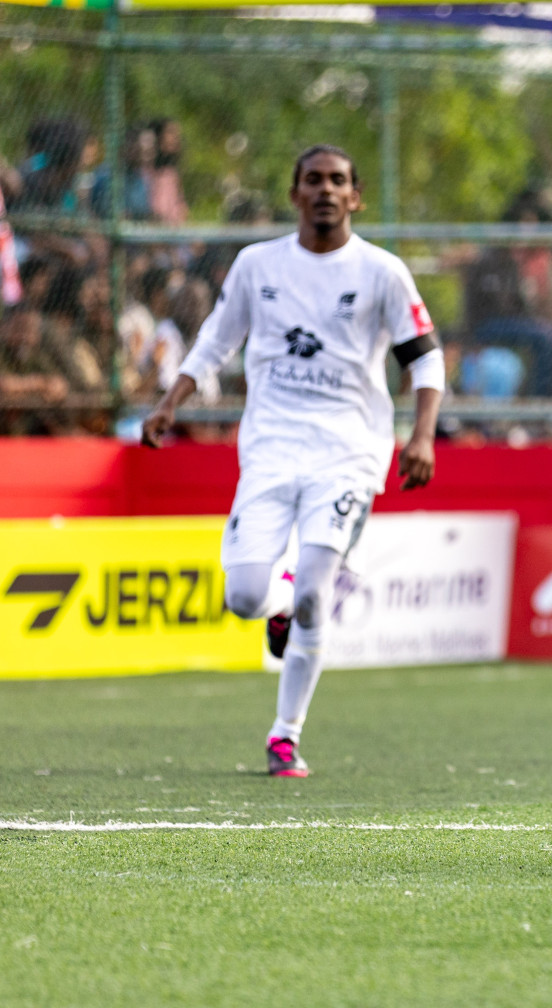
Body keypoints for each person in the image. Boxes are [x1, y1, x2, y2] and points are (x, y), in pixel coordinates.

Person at [140, 144, 444, 778]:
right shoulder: (258, 265)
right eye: (314, 180)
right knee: (246, 596)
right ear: (295, 194)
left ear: (356, 196)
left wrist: (421, 436)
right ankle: (273, 612)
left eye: (338, 180)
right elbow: (216, 340)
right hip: (271, 449)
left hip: (349, 450)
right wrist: (171, 402)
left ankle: (285, 735)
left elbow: (425, 358)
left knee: (313, 591)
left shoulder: (383, 272)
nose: (326, 190)